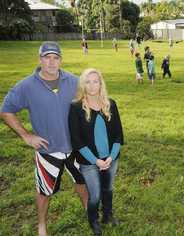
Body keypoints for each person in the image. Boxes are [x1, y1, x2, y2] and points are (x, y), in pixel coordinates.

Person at [0, 41, 88, 236]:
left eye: (55, 58)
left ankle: (90, 214)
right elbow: (6, 111)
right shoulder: (26, 86)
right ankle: (42, 226)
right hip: (48, 151)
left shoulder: (73, 81)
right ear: (40, 60)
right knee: (44, 191)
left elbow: (89, 101)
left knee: (82, 184)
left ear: (60, 60)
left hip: (75, 147)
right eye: (47, 57)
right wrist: (26, 135)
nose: (51, 62)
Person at [69, 68, 124, 236]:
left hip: (110, 159)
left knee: (108, 189)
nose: (92, 86)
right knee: (95, 195)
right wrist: (96, 161)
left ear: (101, 84)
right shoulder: (76, 107)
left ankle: (107, 215)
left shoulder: (110, 104)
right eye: (88, 81)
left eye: (96, 81)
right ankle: (93, 220)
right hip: (89, 161)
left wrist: (111, 157)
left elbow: (118, 135)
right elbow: (76, 141)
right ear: (83, 85)